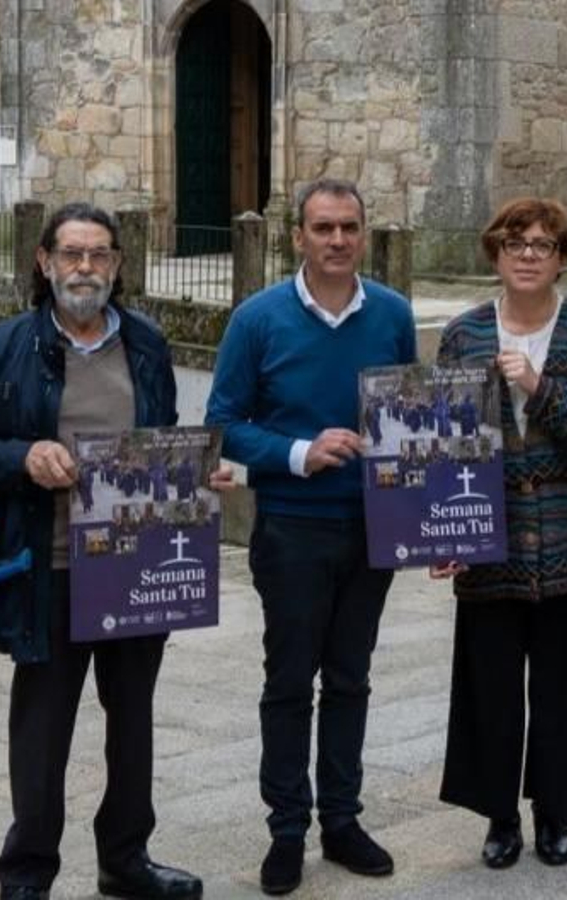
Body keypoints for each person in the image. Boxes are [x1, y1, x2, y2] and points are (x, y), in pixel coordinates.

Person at [0, 202, 229, 900]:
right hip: (49, 565)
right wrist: (22, 454)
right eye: (72, 254)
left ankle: (125, 859)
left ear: (118, 265)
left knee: (133, 722)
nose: (86, 268)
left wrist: (190, 476)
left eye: (99, 254)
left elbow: (159, 441)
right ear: (44, 262)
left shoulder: (149, 346)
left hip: (136, 562)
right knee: (43, 730)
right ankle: (28, 872)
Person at [205, 178, 417, 896]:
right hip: (293, 527)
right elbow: (224, 422)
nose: (335, 241)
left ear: (363, 234)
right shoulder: (258, 319)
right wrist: (299, 452)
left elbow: (412, 414)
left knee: (351, 677)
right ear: (296, 236)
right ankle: (287, 829)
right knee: (290, 679)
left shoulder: (392, 314)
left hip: (372, 527)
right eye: (322, 228)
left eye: (348, 228)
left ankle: (343, 820)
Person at [430, 198, 567, 871]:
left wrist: (539, 386)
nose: (527, 254)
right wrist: (439, 529)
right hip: (489, 539)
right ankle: (498, 815)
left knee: (563, 687)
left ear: (562, 257)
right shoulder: (462, 336)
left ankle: (554, 811)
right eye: (514, 243)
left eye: (542, 245)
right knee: (488, 684)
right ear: (495, 254)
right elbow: (440, 439)